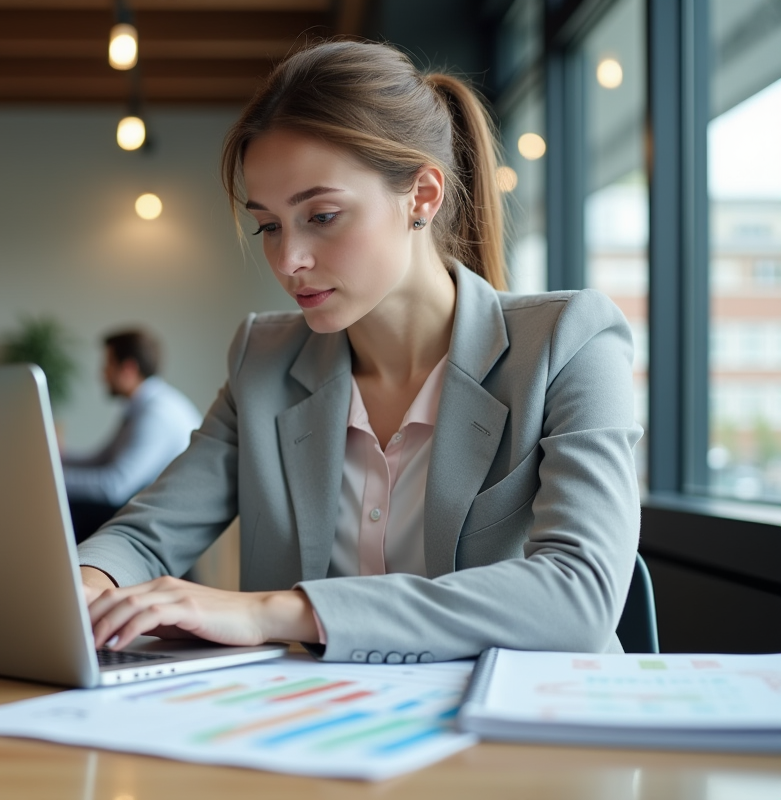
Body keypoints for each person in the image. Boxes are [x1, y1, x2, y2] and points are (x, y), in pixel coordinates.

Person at [78, 41, 642, 664]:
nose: (288, 261)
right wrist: (85, 586)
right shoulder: (262, 360)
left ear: (422, 197)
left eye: (321, 215)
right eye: (268, 225)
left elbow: (580, 594)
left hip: (519, 741)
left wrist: (276, 611)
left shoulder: (570, 342)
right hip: (312, 732)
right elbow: (147, 535)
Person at [63, 329, 202, 542]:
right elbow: (101, 459)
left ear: (128, 368)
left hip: (166, 523)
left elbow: (114, 486)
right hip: (148, 506)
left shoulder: (157, 413)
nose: (102, 374)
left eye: (107, 365)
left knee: (66, 510)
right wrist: (55, 458)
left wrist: (54, 481)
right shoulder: (141, 406)